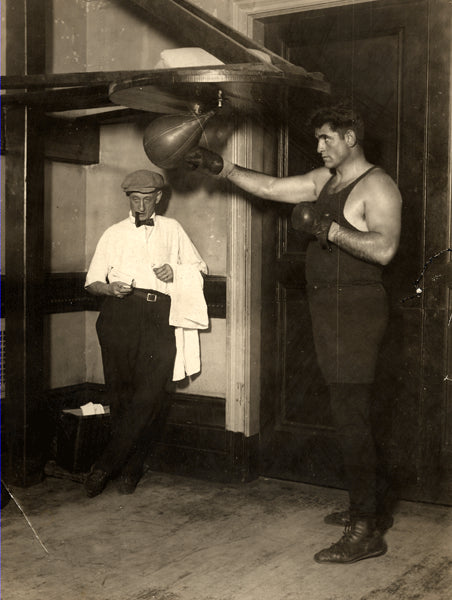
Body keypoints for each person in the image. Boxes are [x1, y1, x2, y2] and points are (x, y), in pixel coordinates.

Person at [184, 103, 402, 564]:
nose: (319, 146)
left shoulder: (378, 186)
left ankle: (366, 529)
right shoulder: (327, 181)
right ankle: (367, 507)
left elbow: (384, 249)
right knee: (348, 414)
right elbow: (270, 187)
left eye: (327, 138)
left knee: (351, 417)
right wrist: (220, 166)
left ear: (350, 138)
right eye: (318, 139)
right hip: (329, 308)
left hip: (358, 310)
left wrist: (328, 228)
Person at [84, 169, 207, 497]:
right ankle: (133, 465)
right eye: (134, 199)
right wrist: (110, 289)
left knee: (151, 393)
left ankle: (106, 463)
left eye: (145, 199)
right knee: (120, 392)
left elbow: (199, 268)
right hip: (119, 314)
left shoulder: (173, 229)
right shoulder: (113, 233)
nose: (139, 205)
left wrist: (175, 270)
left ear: (159, 199)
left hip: (158, 316)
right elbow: (92, 281)